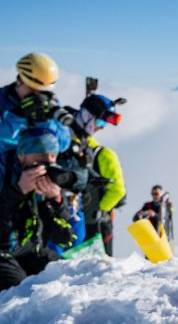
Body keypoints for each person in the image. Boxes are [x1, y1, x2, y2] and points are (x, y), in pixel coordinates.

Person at [0, 126, 76, 292]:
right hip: (2, 248)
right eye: (41, 155)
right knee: (20, 289)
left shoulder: (48, 176)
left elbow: (64, 220)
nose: (48, 161)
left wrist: (56, 200)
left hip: (27, 248)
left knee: (68, 273)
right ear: (22, 155)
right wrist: (19, 190)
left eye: (52, 155)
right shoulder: (4, 171)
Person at [59, 93, 127, 255]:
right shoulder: (68, 141)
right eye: (100, 121)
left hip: (85, 219)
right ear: (87, 115)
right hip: (85, 220)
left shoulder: (95, 152)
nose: (102, 127)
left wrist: (100, 210)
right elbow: (118, 189)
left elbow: (118, 190)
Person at [0, 52, 72, 158]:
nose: (38, 96)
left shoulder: (50, 102)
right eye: (33, 89)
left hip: (36, 170)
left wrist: (44, 122)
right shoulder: (3, 102)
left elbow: (62, 144)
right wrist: (18, 116)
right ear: (20, 81)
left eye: (43, 91)